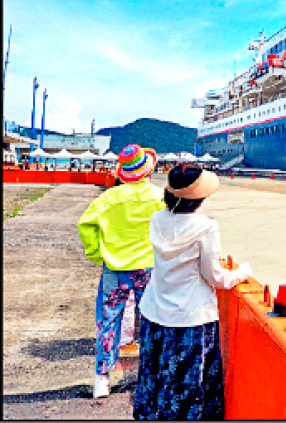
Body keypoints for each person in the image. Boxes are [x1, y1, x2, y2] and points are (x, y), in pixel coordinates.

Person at [133, 163, 253, 420]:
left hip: (154, 311)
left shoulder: (157, 219)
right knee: (186, 387)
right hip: (189, 317)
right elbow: (215, 276)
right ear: (199, 197)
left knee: (153, 375)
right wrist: (242, 272)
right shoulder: (206, 227)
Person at [77, 144, 165, 399]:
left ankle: (102, 379)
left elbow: (85, 224)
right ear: (148, 170)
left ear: (123, 173)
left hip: (115, 269)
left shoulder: (108, 198)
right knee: (150, 321)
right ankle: (150, 376)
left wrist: (96, 253)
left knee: (109, 321)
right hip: (147, 268)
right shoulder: (159, 197)